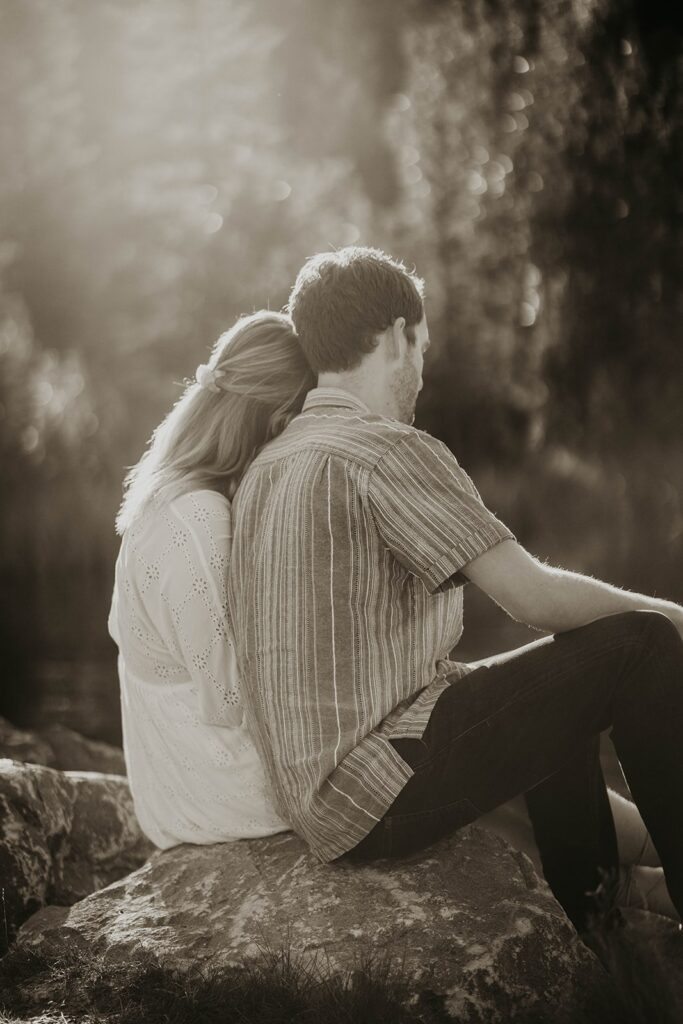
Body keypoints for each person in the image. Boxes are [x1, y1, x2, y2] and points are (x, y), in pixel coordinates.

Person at [227, 246, 683, 933]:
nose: (421, 371)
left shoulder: (269, 464)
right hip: (373, 787)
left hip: (318, 798)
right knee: (639, 647)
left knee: (557, 677)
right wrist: (673, 617)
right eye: (422, 348)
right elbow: (529, 598)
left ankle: (588, 906)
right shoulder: (383, 449)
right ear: (393, 337)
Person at [108, 310, 315, 848]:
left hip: (174, 794)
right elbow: (229, 702)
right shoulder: (198, 519)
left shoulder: (171, 496)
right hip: (221, 800)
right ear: (276, 420)